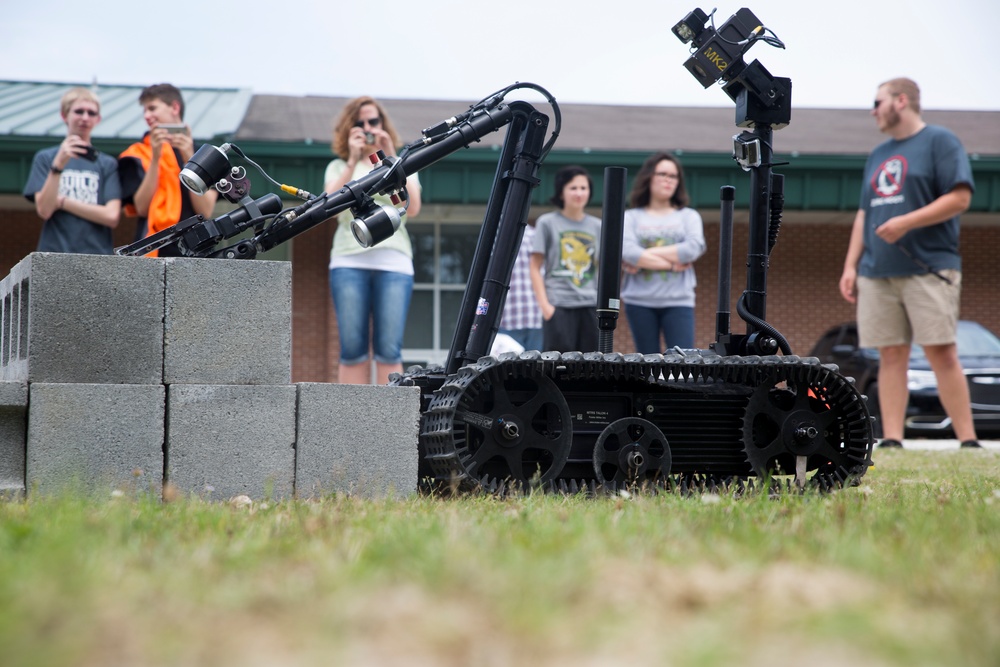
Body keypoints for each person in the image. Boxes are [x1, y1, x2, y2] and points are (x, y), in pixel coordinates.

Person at [838, 77, 980, 449]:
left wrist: (907, 221)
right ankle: (893, 439)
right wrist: (851, 265)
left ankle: (967, 440)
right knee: (890, 354)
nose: (873, 111)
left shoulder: (940, 141)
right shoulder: (878, 153)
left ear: (901, 101)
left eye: (877, 101)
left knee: (941, 351)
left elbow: (960, 198)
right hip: (876, 272)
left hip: (928, 267)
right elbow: (863, 214)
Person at [324, 96, 422, 385]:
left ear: (383, 125)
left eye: (373, 122)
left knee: (389, 348)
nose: (367, 127)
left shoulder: (399, 164)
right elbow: (329, 207)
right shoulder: (339, 165)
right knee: (352, 349)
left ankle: (390, 421)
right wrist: (353, 159)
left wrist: (392, 155)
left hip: (394, 260)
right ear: (349, 128)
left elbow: (413, 208)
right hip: (347, 259)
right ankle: (350, 420)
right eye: (359, 123)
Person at [118, 83, 218, 257]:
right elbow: (141, 208)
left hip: (197, 250)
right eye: (144, 110)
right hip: (153, 250)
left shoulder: (205, 154)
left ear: (174, 107)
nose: (147, 116)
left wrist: (190, 158)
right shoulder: (138, 153)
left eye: (152, 108)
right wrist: (156, 158)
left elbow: (206, 210)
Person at [621, 152, 706, 353]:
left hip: (679, 300)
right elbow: (628, 251)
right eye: (662, 174)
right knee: (645, 362)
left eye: (673, 176)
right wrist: (672, 263)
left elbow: (693, 247)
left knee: (683, 363)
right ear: (649, 177)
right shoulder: (631, 217)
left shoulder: (688, 216)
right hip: (638, 301)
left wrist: (644, 257)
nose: (668, 180)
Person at [22, 87, 122, 254]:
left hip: (97, 256)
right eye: (79, 111)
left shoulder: (107, 163)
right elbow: (45, 210)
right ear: (64, 115)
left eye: (91, 113)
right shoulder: (46, 158)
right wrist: (58, 164)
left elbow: (111, 216)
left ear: (98, 119)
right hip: (54, 254)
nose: (85, 117)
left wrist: (62, 202)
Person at [530, 165, 601, 353]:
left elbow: (606, 268)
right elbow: (535, 266)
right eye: (573, 188)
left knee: (594, 370)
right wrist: (546, 307)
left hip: (591, 307)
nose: (579, 193)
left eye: (583, 188)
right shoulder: (547, 222)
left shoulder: (598, 226)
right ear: (561, 192)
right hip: (558, 306)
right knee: (557, 370)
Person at [498, 222, 543, 352]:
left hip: (511, 315)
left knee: (507, 369)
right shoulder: (536, 236)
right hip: (532, 315)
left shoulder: (498, 236)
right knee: (536, 369)